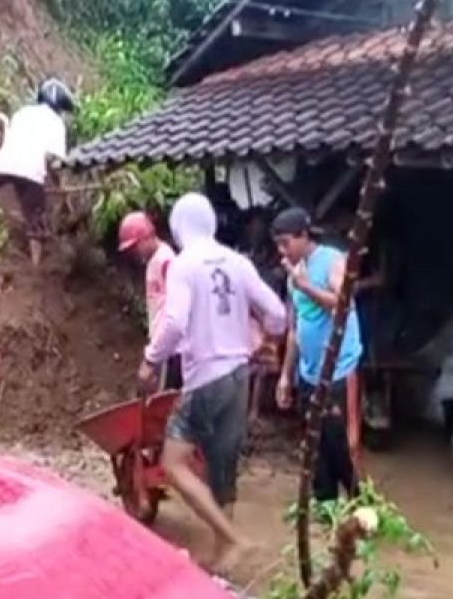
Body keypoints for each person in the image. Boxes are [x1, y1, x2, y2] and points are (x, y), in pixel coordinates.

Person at [140, 193, 287, 572]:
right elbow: (276, 314)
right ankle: (225, 556)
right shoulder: (239, 262)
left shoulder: (184, 264)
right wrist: (266, 340)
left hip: (205, 376)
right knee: (223, 465)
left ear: (178, 227)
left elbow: (173, 322)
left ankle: (235, 540)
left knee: (172, 463)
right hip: (239, 375)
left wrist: (150, 360)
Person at [272, 206, 364, 501]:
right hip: (309, 371)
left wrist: (306, 286)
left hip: (339, 368)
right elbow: (295, 329)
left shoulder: (332, 261)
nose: (282, 250)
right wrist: (286, 375)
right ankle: (326, 507)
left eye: (286, 243)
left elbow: (343, 304)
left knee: (343, 441)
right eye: (278, 244)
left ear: (303, 236)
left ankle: (359, 503)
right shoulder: (293, 275)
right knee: (315, 442)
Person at [0, 78, 75, 267]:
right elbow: (55, 161)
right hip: (31, 172)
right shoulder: (56, 123)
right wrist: (61, 188)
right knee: (36, 219)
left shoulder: (22, 112)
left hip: (2, 164)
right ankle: (35, 266)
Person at [117, 211, 182, 390]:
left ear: (146, 237)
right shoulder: (153, 261)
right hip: (162, 347)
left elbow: (176, 310)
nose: (134, 253)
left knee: (166, 404)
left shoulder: (167, 260)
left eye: (135, 246)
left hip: (173, 350)